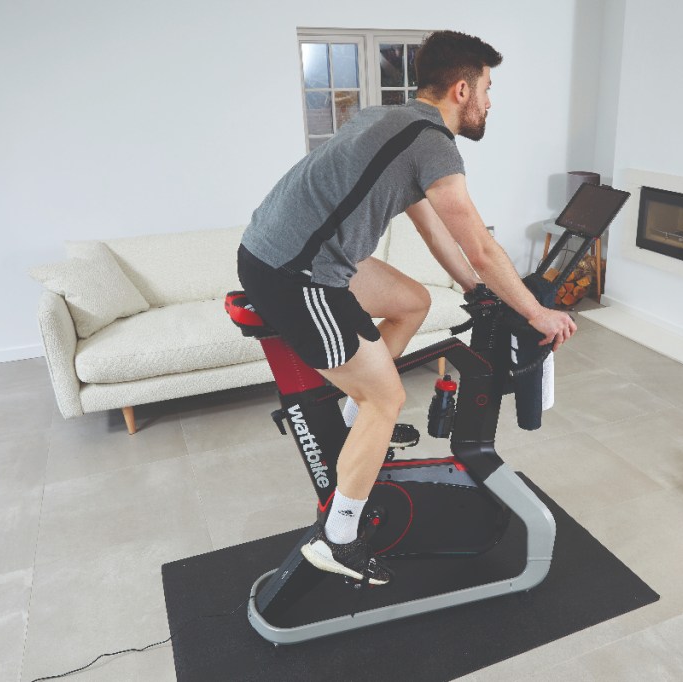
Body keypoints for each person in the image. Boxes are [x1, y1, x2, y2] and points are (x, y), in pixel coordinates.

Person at [237, 30, 576, 586]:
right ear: (463, 89)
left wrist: (475, 291)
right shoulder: (433, 143)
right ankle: (338, 536)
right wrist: (537, 314)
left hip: (292, 252)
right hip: (294, 273)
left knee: (411, 302)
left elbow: (436, 228)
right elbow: (482, 245)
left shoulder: (389, 120)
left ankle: (354, 417)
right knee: (388, 397)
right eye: (488, 89)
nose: (491, 101)